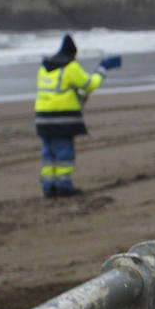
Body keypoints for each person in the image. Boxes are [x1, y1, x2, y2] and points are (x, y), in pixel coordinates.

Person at [34, 34, 107, 198]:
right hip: (63, 119)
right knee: (64, 153)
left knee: (49, 154)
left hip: (42, 119)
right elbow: (89, 85)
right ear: (72, 53)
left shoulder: (43, 68)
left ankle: (48, 186)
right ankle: (63, 186)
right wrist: (101, 71)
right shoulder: (71, 67)